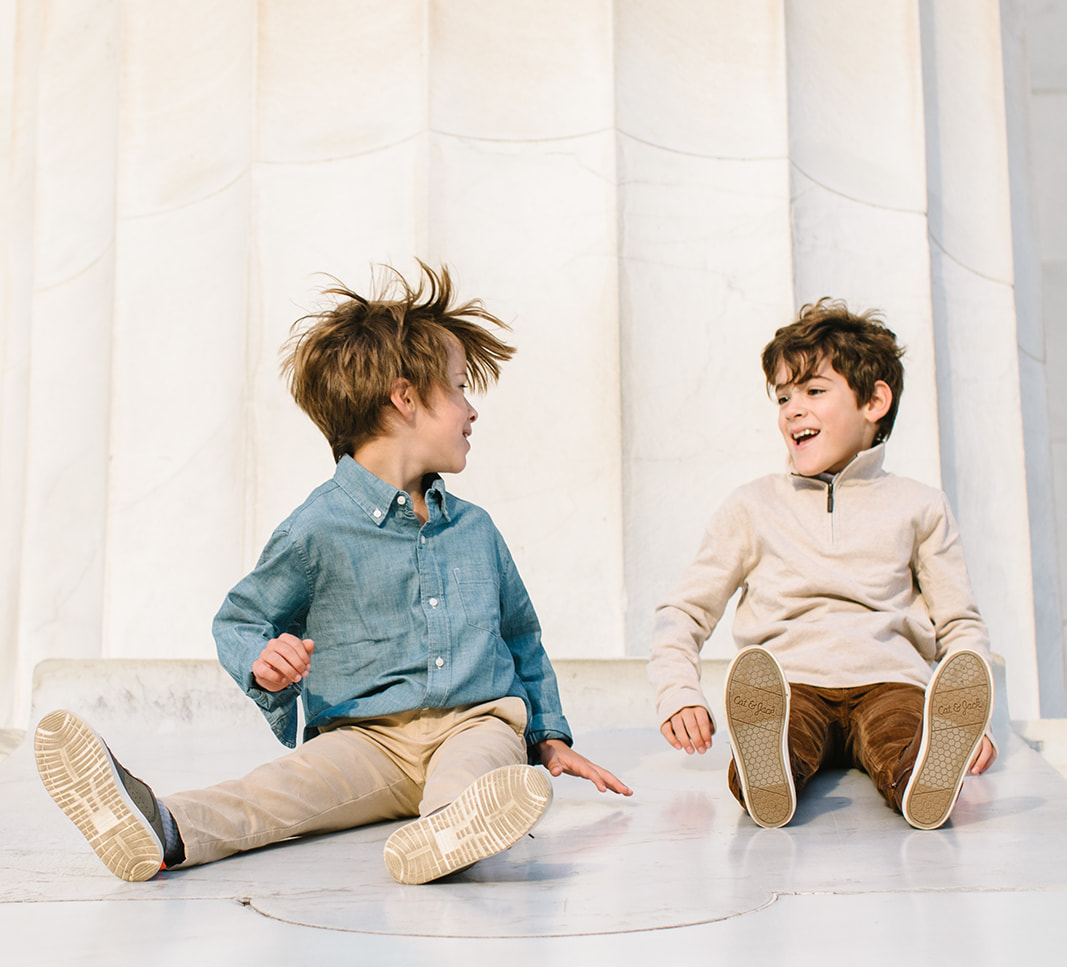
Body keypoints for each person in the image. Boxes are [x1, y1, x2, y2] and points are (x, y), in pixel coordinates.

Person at [36, 265, 631, 886]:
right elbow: (242, 618)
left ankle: (451, 829)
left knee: (477, 767)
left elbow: (521, 638)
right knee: (275, 792)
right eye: (458, 388)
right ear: (405, 398)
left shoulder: (475, 529)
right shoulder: (318, 527)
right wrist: (266, 660)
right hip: (364, 738)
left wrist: (547, 736)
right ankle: (161, 827)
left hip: (475, 719)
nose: (471, 409)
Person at [649, 299, 995, 831]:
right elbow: (685, 612)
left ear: (874, 401)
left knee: (907, 737)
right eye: (784, 396)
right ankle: (768, 778)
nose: (792, 409)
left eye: (813, 391)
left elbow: (958, 623)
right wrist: (678, 690)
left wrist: (973, 721)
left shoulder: (920, 505)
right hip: (790, 687)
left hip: (890, 683)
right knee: (772, 740)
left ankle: (924, 776)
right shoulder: (752, 505)